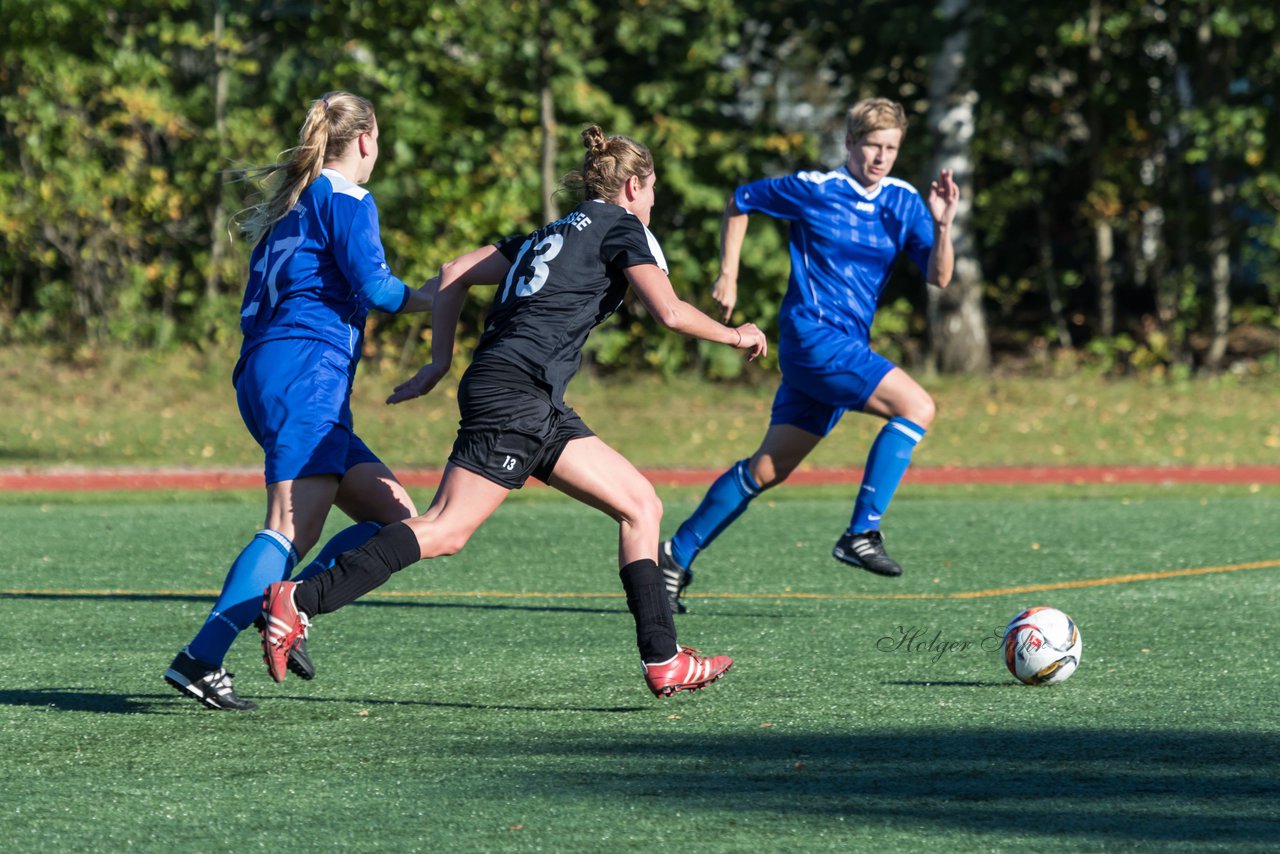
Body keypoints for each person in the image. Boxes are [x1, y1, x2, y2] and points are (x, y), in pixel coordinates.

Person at [258, 125, 767, 698]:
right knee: (445, 530)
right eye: (651, 193)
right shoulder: (623, 228)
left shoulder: (544, 233)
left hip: (531, 396)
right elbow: (670, 313)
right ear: (631, 186)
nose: (652, 205)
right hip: (516, 394)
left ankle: (664, 657)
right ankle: (300, 598)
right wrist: (736, 334)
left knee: (641, 506)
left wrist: (439, 363)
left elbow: (453, 272)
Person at [165, 91, 436, 710]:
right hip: (305, 373)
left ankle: (289, 606)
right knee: (289, 528)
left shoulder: (295, 199)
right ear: (365, 140)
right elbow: (378, 289)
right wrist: (441, 295)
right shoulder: (346, 197)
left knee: (397, 518)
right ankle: (201, 657)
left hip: (272, 372)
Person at [660, 97, 959, 613]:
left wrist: (944, 225)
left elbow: (939, 277)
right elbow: (740, 199)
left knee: (767, 469)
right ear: (849, 143)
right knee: (917, 406)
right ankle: (861, 532)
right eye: (872, 146)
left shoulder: (906, 202)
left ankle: (672, 557)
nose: (881, 157)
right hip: (812, 338)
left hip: (844, 349)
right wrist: (728, 272)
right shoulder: (816, 189)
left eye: (891, 147)